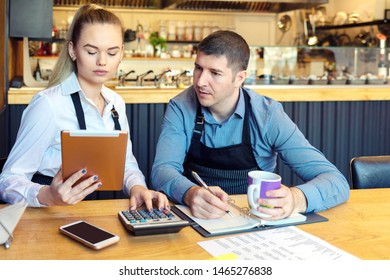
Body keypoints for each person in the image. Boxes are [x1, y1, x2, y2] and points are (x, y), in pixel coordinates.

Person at [151, 30, 350, 220]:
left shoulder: (267, 115)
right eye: (198, 68)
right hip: (198, 218)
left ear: (239, 78)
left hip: (256, 222)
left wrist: (297, 199)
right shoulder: (181, 107)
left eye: (215, 73)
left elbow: (335, 181)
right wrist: (189, 193)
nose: (201, 81)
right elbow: (162, 170)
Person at [0, 4, 168, 210]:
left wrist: (137, 188)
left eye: (112, 52)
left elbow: (126, 164)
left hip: (96, 209)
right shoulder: (48, 104)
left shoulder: (116, 103)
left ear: (122, 53)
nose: (102, 61)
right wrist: (48, 196)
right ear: (72, 50)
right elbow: (8, 179)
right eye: (91, 51)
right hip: (48, 213)